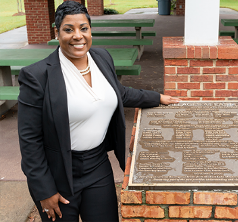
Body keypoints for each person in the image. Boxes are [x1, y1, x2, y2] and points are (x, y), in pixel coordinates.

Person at [18, 1, 180, 221]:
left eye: (83, 28)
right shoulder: (37, 76)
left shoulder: (102, 58)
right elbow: (29, 140)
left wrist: (157, 97)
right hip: (58, 173)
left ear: (90, 30)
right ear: (57, 33)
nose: (78, 36)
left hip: (97, 166)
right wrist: (44, 191)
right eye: (69, 29)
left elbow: (118, 93)